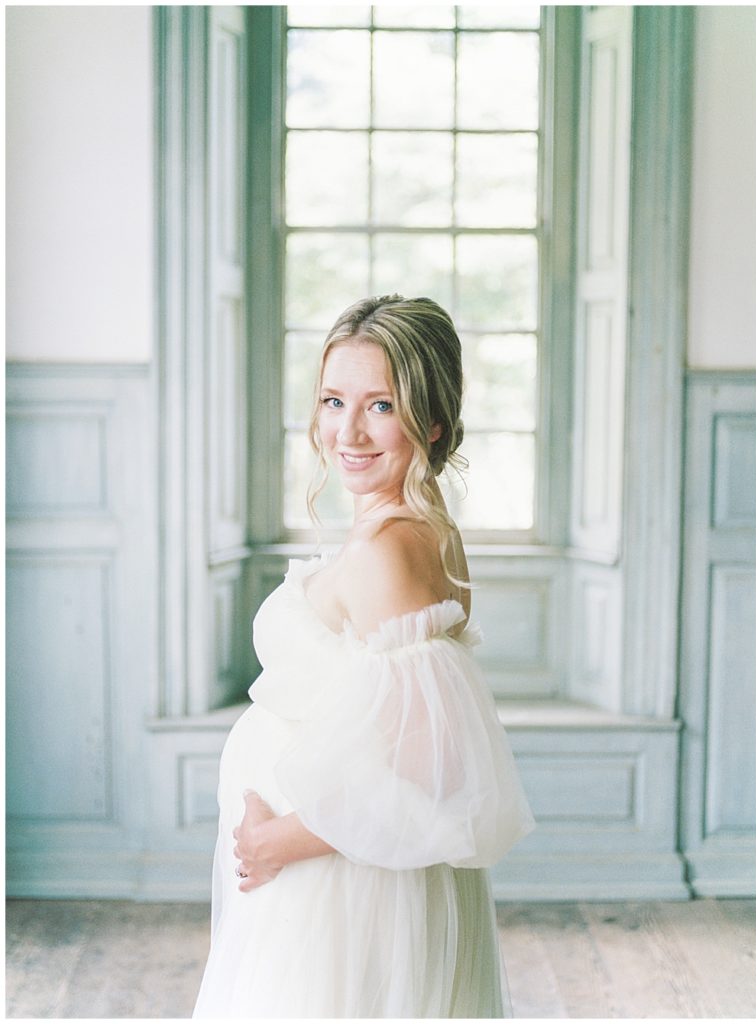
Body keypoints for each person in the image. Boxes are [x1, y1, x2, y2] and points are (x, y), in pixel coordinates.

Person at [193, 294, 535, 1018]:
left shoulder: (388, 548)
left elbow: (429, 764)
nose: (347, 430)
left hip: (347, 889)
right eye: (333, 400)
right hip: (337, 874)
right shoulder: (415, 522)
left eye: (380, 405)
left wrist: (278, 840)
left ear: (432, 420)